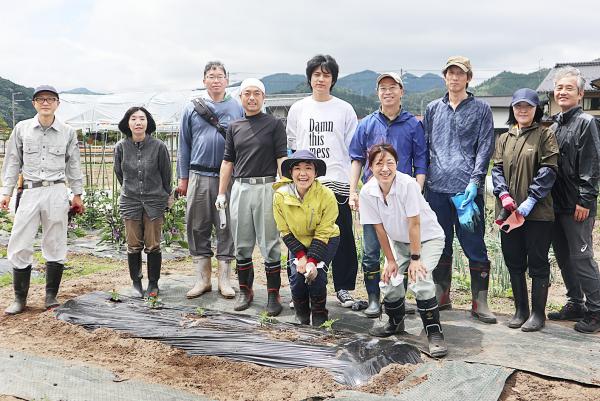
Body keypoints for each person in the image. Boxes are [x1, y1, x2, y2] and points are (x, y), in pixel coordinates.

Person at [423, 56, 497, 323]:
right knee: (440, 244)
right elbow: (426, 147)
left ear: (468, 78)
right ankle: (441, 295)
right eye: (450, 73)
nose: (454, 78)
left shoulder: (481, 109)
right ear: (444, 77)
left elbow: (485, 148)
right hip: (436, 191)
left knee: (474, 245)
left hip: (467, 193)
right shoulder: (433, 109)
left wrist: (475, 181)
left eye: (459, 74)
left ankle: (480, 302)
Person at [349, 72, 427, 317]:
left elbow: (421, 162)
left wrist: (417, 192)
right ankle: (374, 298)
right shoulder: (367, 124)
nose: (388, 92)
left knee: (402, 252)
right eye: (383, 88)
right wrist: (353, 190)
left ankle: (398, 300)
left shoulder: (413, 124)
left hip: (402, 199)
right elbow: (356, 159)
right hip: (373, 199)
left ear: (401, 92)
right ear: (378, 93)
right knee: (372, 250)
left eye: (393, 87)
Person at [1, 85, 84, 314]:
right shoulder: (22, 129)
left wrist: (77, 194)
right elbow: (12, 162)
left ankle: (51, 296)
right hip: (29, 190)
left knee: (56, 240)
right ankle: (19, 298)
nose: (45, 102)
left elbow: (73, 164)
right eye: (40, 99)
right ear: (34, 103)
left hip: (56, 191)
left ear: (58, 103)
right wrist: (6, 192)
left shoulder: (67, 132)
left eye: (50, 99)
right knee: (19, 241)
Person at [359, 144, 447, 357]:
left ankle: (434, 333)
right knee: (390, 279)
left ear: (397, 164)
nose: (385, 168)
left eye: (390, 162)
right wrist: (390, 260)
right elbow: (379, 228)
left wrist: (416, 258)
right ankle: (395, 322)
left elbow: (414, 224)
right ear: (370, 167)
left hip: (427, 239)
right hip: (398, 242)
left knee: (421, 278)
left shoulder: (408, 185)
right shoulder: (367, 192)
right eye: (379, 163)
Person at [286, 54, 358, 308]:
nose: (321, 79)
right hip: (306, 187)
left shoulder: (345, 109)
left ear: (333, 79)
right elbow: (293, 148)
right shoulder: (299, 108)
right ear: (309, 78)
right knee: (302, 237)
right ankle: (299, 288)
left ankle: (344, 288)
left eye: (326, 75)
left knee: (342, 238)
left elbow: (353, 153)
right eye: (316, 74)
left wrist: (352, 188)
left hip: (337, 183)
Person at [217, 78, 287, 315]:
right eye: (247, 93)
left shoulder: (274, 125)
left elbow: (281, 158)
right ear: (241, 98)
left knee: (270, 244)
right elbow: (228, 162)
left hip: (267, 187)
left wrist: (285, 186)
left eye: (257, 93)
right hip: (241, 188)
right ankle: (245, 291)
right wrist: (221, 193)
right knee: (242, 243)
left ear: (263, 98)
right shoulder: (234, 127)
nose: (252, 98)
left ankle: (273, 296)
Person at [492, 88, 558, 331]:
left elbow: (549, 169)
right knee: (514, 260)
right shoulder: (505, 138)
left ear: (535, 109)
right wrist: (503, 193)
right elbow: (497, 169)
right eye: (518, 106)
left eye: (528, 106)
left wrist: (532, 199)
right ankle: (521, 310)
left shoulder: (545, 135)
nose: (522, 110)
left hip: (538, 213)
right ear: (512, 108)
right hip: (509, 212)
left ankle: (538, 315)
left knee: (538, 261)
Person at [177, 61, 243, 299]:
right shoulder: (192, 108)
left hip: (229, 177)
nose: (216, 80)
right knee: (197, 225)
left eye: (220, 76)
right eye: (211, 76)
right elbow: (184, 145)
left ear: (227, 80)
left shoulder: (237, 107)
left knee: (227, 225)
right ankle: (202, 279)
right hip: (198, 175)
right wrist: (183, 178)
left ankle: (225, 280)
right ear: (204, 80)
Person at [547, 67, 600, 333]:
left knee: (582, 257)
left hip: (577, 204)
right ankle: (575, 302)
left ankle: (596, 309)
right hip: (555, 204)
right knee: (564, 257)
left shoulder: (587, 123)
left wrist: (586, 200)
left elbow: (591, 163)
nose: (562, 92)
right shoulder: (554, 124)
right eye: (559, 88)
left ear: (580, 94)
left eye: (569, 88)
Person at [273, 150, 340, 326]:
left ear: (316, 173)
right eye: (297, 168)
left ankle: (319, 317)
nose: (303, 173)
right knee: (297, 277)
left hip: (326, 239)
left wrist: (311, 260)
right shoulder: (280, 196)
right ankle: (301, 316)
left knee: (316, 276)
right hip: (297, 241)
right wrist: (302, 257)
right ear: (290, 173)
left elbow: (324, 232)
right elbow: (284, 230)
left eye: (308, 168)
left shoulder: (327, 195)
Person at [114, 107, 172, 297]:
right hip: (130, 201)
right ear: (127, 123)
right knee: (133, 244)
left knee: (153, 244)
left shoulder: (159, 147)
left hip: (154, 201)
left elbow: (166, 176)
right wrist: (131, 190)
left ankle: (153, 284)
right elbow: (119, 174)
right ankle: (136, 283)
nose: (138, 122)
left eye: (142, 119)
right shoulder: (121, 147)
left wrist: (163, 197)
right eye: (134, 119)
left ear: (148, 122)